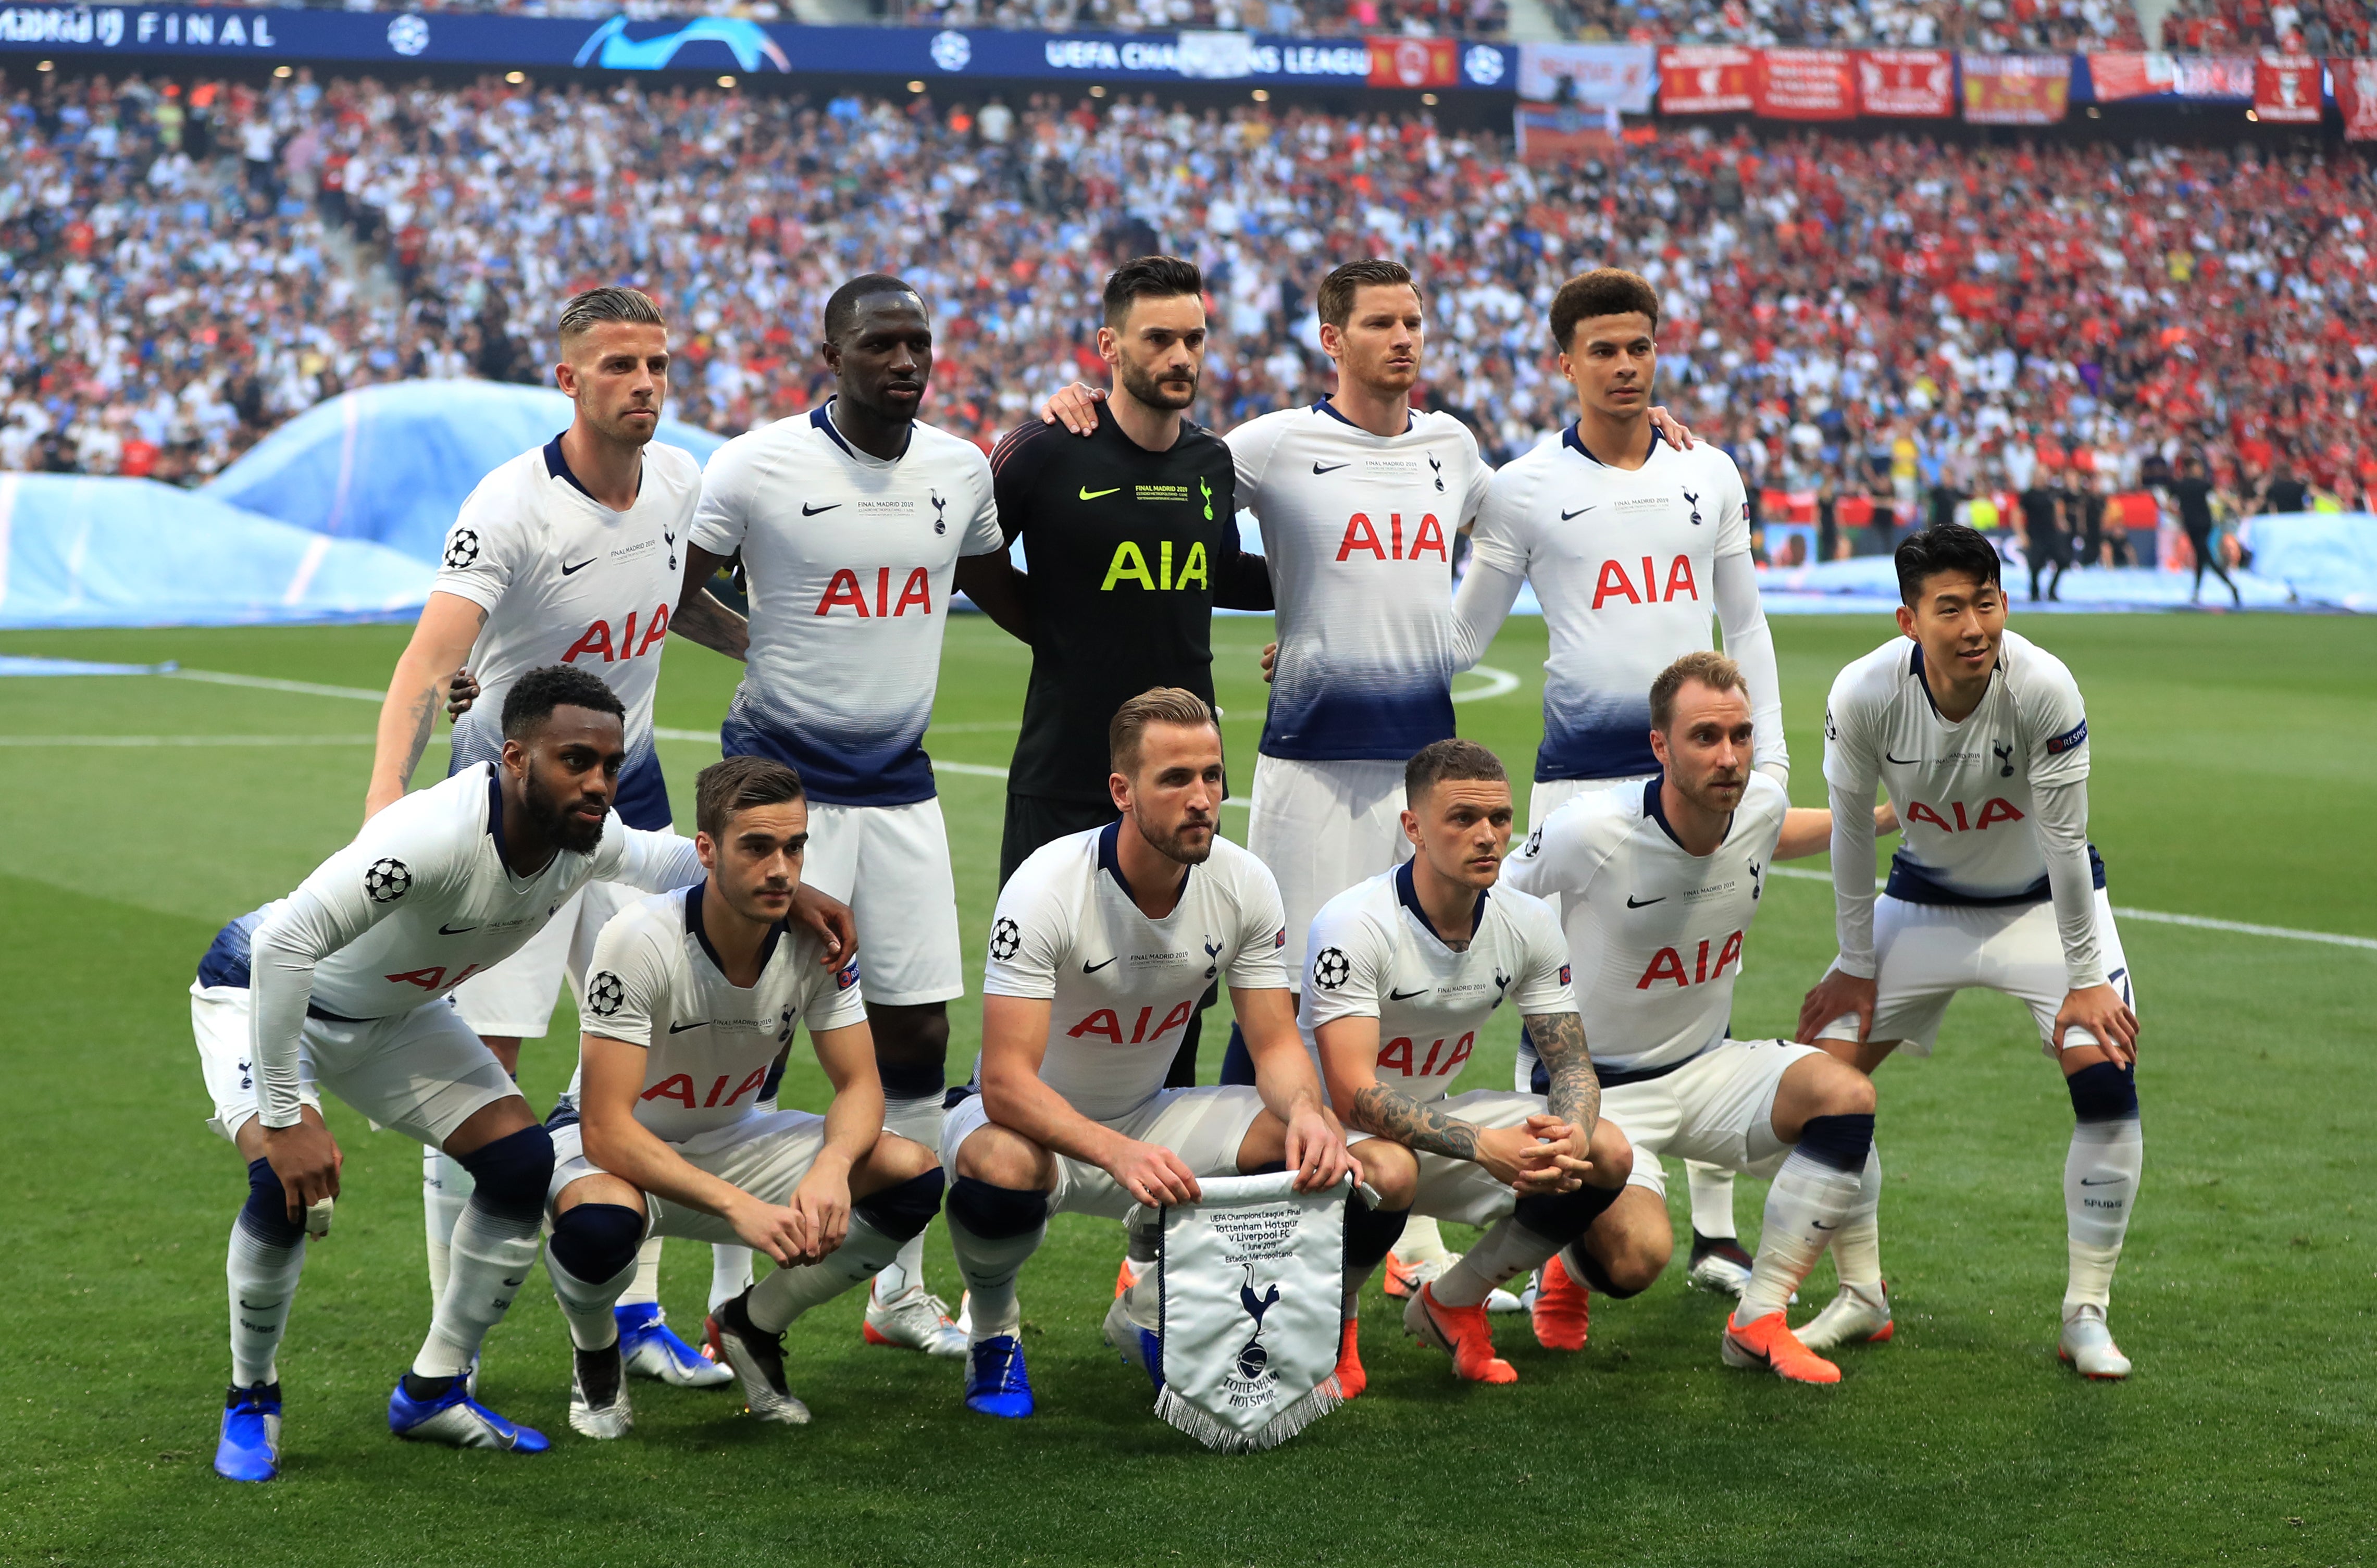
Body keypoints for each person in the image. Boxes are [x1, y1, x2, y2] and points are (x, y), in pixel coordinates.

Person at [194, 665, 854, 1479]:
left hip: (397, 1015)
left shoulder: (585, 837)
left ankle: (433, 1387)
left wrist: (800, 893)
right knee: (284, 1183)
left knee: (518, 1161)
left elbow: (680, 859)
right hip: (266, 993)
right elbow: (282, 945)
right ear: (514, 758)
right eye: (574, 760)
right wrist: (288, 1115)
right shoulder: (430, 834)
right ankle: (250, 1396)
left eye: (610, 765)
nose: (598, 783)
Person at [365, 284, 742, 1390]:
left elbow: (670, 599)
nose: (645, 386)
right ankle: (457, 1346)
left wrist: (766, 650)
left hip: (634, 791)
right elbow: (427, 663)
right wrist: (387, 794)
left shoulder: (677, 481)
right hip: (506, 806)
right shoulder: (510, 506)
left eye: (659, 365)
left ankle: (637, 1314)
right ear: (568, 379)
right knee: (487, 1070)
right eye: (619, 366)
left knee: (658, 1047)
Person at [677, 273, 1005, 1360]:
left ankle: (896, 1290)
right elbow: (678, 590)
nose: (904, 361)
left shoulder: (959, 470)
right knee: (751, 1035)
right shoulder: (756, 464)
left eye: (918, 343)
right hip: (776, 788)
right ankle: (733, 1280)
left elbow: (983, 575)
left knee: (915, 1028)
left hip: (898, 784)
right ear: (831, 353)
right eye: (880, 344)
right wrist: (756, 646)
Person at [1449, 266, 1785, 1296]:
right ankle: (1551, 1230)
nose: (1624, 365)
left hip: (1697, 777)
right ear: (1564, 363)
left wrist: (1765, 759)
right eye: (1602, 349)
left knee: (1695, 987)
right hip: (1577, 788)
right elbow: (1461, 637)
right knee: (1554, 1003)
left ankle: (1716, 1230)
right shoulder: (1519, 488)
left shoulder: (1709, 472)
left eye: (1638, 346)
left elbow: (1748, 621)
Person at [941, 689, 1357, 1418]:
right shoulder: (1046, 886)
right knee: (999, 1168)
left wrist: (1307, 1111)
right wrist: (1114, 1153)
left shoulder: (1244, 882)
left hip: (1147, 1117)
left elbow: (1273, 1043)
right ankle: (992, 1326)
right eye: (1174, 779)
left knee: (1306, 1147)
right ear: (1121, 791)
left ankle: (1149, 1309)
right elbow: (1005, 1082)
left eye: (1211, 775)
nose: (1201, 798)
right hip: (1024, 1125)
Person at [1796, 525, 2143, 1380]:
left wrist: (2086, 978)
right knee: (1816, 1087)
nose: (1972, 627)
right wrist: (1851, 959)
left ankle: (2084, 1311)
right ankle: (1861, 1294)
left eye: (1984, 603)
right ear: (1907, 621)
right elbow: (1846, 833)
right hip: (1921, 903)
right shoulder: (1862, 694)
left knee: (2103, 1079)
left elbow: (2065, 842)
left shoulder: (2044, 687)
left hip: (2045, 909)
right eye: (1948, 608)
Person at [1503, 652, 1886, 1385]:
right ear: (1659, 746)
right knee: (1635, 1258)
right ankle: (1564, 1269)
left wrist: (1882, 817)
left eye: (1740, 736)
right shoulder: (1588, 830)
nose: (1728, 756)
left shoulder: (1757, 806)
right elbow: (1492, 901)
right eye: (1704, 736)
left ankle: (1759, 1319)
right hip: (1590, 1088)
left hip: (1703, 1068)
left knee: (1846, 1106)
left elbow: (1773, 829)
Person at [543, 756, 946, 1437]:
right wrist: (743, 1209)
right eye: (756, 847)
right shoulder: (637, 940)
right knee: (598, 1228)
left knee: (910, 1173)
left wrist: (831, 1166)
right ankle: (594, 1352)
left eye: (794, 846)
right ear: (706, 851)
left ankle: (750, 1324)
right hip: (608, 1151)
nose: (782, 869)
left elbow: (859, 1083)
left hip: (730, 1136)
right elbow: (606, 1130)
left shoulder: (817, 942)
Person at [1305, 740, 1633, 1386]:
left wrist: (1570, 1133)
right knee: (1390, 1169)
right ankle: (1331, 1326)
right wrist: (1485, 1146)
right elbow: (1351, 1095)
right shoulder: (1354, 923)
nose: (1487, 837)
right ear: (1414, 828)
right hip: (1326, 1140)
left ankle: (1455, 1300)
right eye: (1462, 819)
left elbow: (1570, 1065)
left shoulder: (1528, 920)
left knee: (1607, 1153)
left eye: (1501, 819)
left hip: (1432, 1124)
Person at [961, 255, 1273, 891]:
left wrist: (1340, 580)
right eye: (1159, 339)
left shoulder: (1212, 461)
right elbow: (970, 556)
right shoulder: (1044, 450)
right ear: (1110, 345)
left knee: (1176, 977)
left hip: (1184, 774)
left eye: (1194, 339)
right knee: (1045, 977)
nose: (1181, 356)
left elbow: (1221, 574)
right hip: (1063, 772)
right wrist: (1050, 630)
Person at [2163, 454, 2241, 607]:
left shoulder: (2179, 485)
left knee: (2204, 557)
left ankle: (2228, 587)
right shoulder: (2203, 484)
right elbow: (2221, 495)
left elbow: (2167, 505)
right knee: (2202, 557)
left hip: (2191, 524)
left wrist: (2178, 514)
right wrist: (2235, 505)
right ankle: (2201, 591)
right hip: (2205, 524)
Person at [2018, 468, 2067, 603]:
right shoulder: (2028, 495)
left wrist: (2061, 522)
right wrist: (2022, 534)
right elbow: (2017, 513)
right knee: (2035, 565)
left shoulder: (2052, 493)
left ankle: (2052, 590)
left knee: (2063, 561)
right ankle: (2034, 592)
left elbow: (2057, 508)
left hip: (2051, 534)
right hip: (2035, 535)